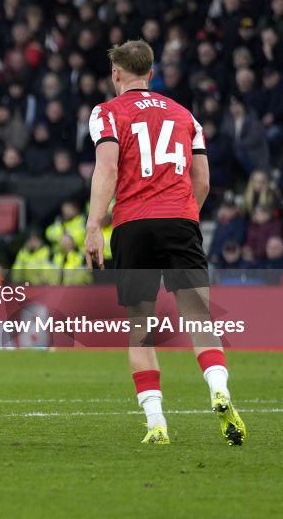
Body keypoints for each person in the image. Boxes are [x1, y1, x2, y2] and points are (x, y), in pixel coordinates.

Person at [84, 39, 246, 445]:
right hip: (179, 219)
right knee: (199, 319)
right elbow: (203, 181)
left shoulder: (106, 113)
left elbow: (106, 168)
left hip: (132, 225)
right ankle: (218, 389)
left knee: (140, 328)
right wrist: (185, 214)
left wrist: (93, 225)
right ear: (151, 73)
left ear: (117, 73)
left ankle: (157, 423)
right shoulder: (185, 115)